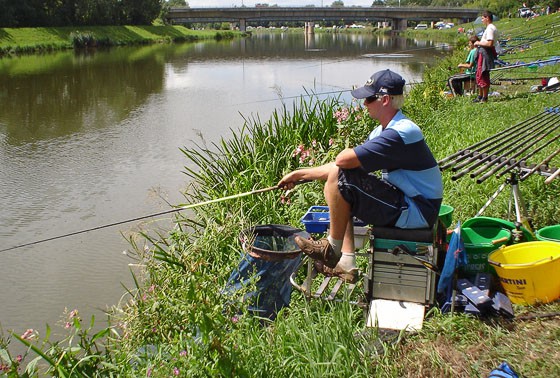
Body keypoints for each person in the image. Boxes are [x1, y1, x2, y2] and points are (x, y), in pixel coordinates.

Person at [278, 69, 443, 283]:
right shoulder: (382, 132)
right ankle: (345, 260)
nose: (364, 104)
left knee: (343, 182)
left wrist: (334, 164)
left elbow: (342, 162)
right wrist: (299, 175)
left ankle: (332, 249)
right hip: (405, 201)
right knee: (344, 185)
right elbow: (341, 167)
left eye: (369, 98)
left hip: (418, 209)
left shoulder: (402, 132)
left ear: (385, 100)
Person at [473, 10, 498, 103]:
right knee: (479, 74)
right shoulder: (489, 28)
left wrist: (479, 42)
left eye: (483, 18)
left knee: (483, 74)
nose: (482, 20)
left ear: (487, 18)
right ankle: (480, 96)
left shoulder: (490, 28)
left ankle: (484, 98)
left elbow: (490, 43)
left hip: (485, 54)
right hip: (483, 53)